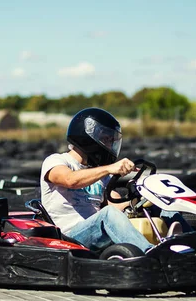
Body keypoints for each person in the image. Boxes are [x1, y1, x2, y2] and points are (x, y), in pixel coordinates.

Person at [40, 107, 187, 253]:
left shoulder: (99, 173)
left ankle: (189, 245)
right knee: (108, 214)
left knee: (161, 203)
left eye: (111, 140)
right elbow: (70, 180)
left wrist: (140, 198)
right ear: (87, 136)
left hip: (97, 231)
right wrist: (110, 168)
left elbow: (115, 204)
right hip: (67, 237)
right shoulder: (56, 161)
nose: (109, 145)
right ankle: (151, 254)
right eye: (106, 139)